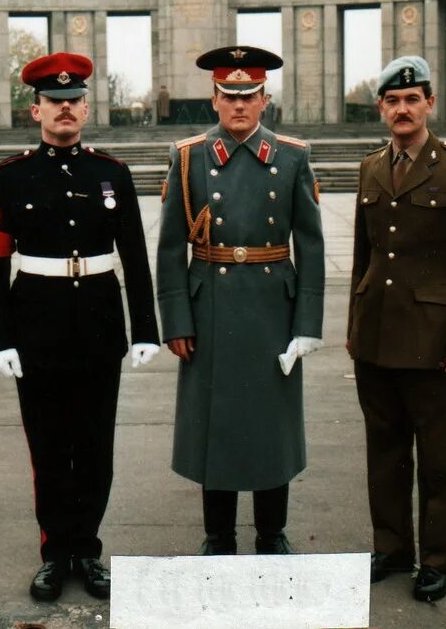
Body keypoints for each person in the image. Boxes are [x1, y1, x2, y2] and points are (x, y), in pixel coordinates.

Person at [0, 52, 160, 602]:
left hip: (100, 321)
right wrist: (0, 339)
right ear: (35, 110)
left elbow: (134, 255)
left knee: (96, 443)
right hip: (37, 322)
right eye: (55, 102)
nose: (65, 110)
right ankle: (55, 553)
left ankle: (88, 548)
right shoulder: (10, 176)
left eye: (74, 101)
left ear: (86, 109)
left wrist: (146, 329)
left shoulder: (112, 173)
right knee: (50, 446)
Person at [156, 45, 325, 557]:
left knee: (272, 425)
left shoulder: (293, 156)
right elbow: (169, 247)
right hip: (210, 307)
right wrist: (176, 320)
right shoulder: (188, 157)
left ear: (264, 99)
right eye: (229, 96)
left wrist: (307, 324)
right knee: (217, 424)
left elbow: (311, 244)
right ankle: (219, 536)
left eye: (248, 96)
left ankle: (272, 533)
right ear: (213, 99)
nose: (239, 106)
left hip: (273, 304)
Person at [347, 55, 446, 602]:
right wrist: (354, 328)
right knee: (383, 453)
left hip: (435, 343)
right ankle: (391, 548)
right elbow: (364, 257)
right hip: (377, 338)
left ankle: (435, 558)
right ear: (381, 108)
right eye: (393, 101)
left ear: (430, 104)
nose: (403, 110)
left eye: (413, 100)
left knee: (436, 458)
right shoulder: (370, 167)